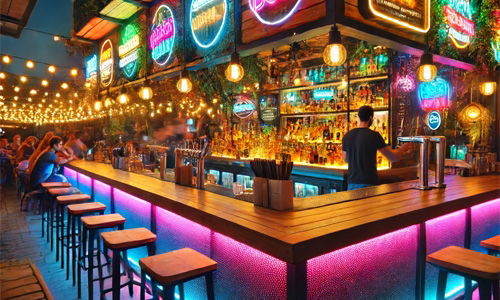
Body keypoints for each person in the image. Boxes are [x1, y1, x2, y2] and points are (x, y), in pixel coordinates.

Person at [342, 105, 413, 190]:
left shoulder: (347, 136)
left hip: (352, 183)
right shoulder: (374, 136)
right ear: (371, 118)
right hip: (368, 183)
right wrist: (403, 149)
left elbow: (345, 159)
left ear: (359, 117)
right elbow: (393, 157)